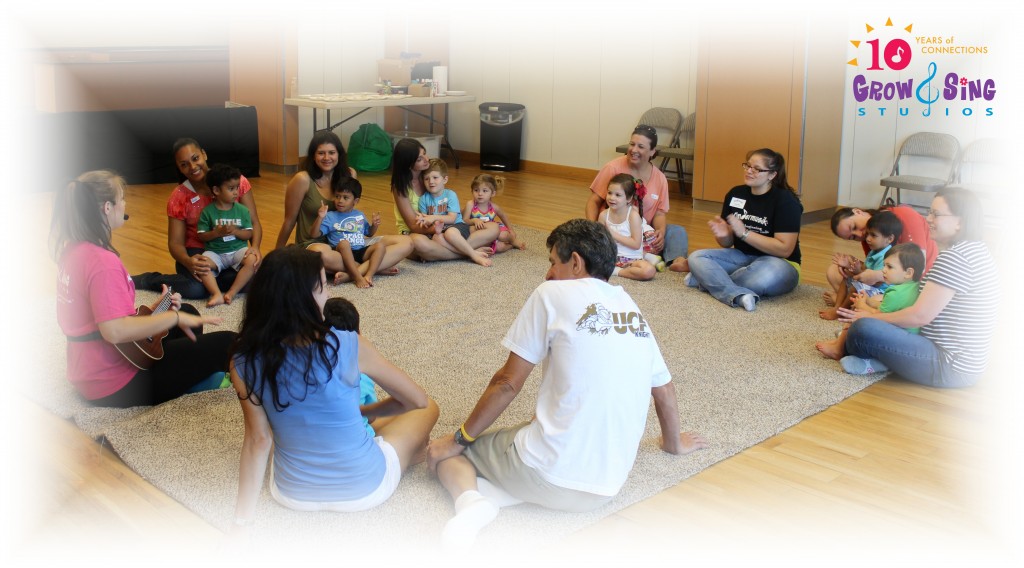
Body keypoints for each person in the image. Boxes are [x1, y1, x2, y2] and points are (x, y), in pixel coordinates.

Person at [425, 219, 707, 548]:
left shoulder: (551, 293)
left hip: (549, 474)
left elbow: (506, 383)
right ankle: (508, 491)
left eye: (552, 263)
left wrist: (460, 438)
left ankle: (471, 504)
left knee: (445, 454)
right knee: (526, 431)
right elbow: (664, 389)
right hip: (605, 489)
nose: (547, 274)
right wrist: (674, 444)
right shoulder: (628, 306)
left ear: (575, 262)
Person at [228, 247, 439, 532]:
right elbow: (416, 400)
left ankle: (366, 432)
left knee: (284, 424)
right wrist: (365, 411)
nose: (328, 295)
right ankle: (402, 452)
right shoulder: (347, 342)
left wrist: (242, 522)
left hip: (292, 494)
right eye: (324, 285)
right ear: (306, 299)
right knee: (430, 407)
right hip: (365, 489)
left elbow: (258, 440)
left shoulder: (243, 359)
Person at [51, 170, 234, 408]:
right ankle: (193, 383)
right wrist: (172, 317)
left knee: (190, 313)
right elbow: (114, 331)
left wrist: (160, 308)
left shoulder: (73, 250)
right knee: (228, 342)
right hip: (117, 383)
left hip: (90, 371)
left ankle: (189, 376)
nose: (125, 203)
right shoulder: (102, 262)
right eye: (122, 198)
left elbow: (100, 316)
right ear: (107, 207)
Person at [836, 187, 997, 387]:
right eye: (929, 212)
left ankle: (879, 359)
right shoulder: (976, 250)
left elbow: (919, 316)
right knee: (871, 323)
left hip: (949, 366)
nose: (928, 219)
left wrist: (870, 316)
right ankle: (884, 355)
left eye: (936, 214)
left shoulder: (955, 258)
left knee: (862, 328)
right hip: (966, 364)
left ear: (960, 221)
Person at [133, 138, 263, 300]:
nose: (193, 167)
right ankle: (149, 280)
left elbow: (254, 222)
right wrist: (188, 262)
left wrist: (255, 247)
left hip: (232, 248)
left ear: (204, 154)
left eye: (195, 159)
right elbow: (175, 243)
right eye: (184, 164)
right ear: (179, 168)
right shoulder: (179, 196)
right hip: (199, 253)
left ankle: (215, 282)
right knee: (195, 290)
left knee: (258, 279)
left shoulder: (235, 181)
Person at [274, 130, 413, 281]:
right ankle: (372, 267)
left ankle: (352, 273)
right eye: (321, 153)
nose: (327, 158)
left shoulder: (349, 174)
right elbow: (289, 221)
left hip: (350, 240)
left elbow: (354, 216)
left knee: (406, 242)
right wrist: (276, 259)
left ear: (339, 154)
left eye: (332, 152)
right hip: (317, 244)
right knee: (321, 254)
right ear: (313, 155)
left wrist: (372, 226)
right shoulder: (302, 179)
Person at [678, 148, 802, 311]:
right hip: (742, 257)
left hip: (779, 263)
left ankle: (707, 281)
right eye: (747, 166)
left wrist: (744, 233)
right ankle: (734, 293)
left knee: (757, 279)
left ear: (772, 175)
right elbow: (728, 243)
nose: (749, 171)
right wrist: (724, 235)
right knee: (697, 257)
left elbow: (784, 249)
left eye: (757, 169)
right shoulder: (736, 194)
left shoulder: (786, 201)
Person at [585, 124, 688, 267]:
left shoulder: (660, 178)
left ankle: (677, 261)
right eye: (632, 144)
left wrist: (660, 232)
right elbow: (593, 202)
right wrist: (594, 229)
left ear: (652, 151)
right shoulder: (612, 168)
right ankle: (645, 256)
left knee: (677, 231)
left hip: (643, 229)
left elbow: (659, 214)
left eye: (641, 146)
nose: (634, 150)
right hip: (616, 228)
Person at [389, 138, 500, 262]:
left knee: (493, 228)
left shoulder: (427, 173)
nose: (426, 159)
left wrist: (455, 222)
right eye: (420, 159)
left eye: (424, 153)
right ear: (408, 163)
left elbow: (445, 201)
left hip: (445, 227)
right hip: (419, 232)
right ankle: (467, 252)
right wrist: (439, 228)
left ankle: (450, 250)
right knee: (417, 242)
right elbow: (414, 226)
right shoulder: (400, 187)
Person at [815, 242, 925, 361]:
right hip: (907, 336)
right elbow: (888, 309)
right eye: (884, 265)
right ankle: (840, 341)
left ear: (908, 273)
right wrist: (868, 300)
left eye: (890, 267)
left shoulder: (895, 294)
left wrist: (862, 305)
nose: (883, 270)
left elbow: (878, 315)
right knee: (862, 309)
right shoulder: (912, 287)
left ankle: (838, 349)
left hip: (897, 341)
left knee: (857, 314)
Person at [825, 204, 938, 306]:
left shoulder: (906, 215)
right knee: (833, 271)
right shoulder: (868, 239)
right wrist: (853, 266)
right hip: (889, 281)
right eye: (853, 237)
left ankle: (853, 305)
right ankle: (855, 304)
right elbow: (877, 266)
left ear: (857, 211)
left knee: (876, 299)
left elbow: (917, 269)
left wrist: (877, 275)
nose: (860, 234)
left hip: (916, 283)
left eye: (854, 227)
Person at [311, 178, 404, 288]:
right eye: (337, 196)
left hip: (360, 250)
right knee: (344, 243)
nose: (340, 200)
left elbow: (369, 233)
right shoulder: (330, 216)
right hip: (341, 252)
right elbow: (314, 234)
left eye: (345, 198)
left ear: (355, 201)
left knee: (380, 246)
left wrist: (374, 225)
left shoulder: (359, 215)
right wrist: (320, 217)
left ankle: (369, 275)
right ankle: (358, 277)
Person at [818, 210, 902, 320]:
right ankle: (839, 307)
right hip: (872, 286)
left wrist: (858, 272)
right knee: (847, 278)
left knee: (856, 286)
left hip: (881, 291)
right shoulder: (874, 250)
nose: (866, 238)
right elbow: (866, 270)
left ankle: (842, 310)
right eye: (853, 237)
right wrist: (850, 267)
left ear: (890, 239)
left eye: (873, 235)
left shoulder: (887, 255)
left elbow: (876, 281)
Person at [196, 164, 257, 307]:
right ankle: (216, 294)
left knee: (252, 260)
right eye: (231, 188)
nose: (236, 192)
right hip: (215, 252)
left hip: (237, 250)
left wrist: (236, 231)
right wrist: (216, 233)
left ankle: (232, 292)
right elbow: (202, 236)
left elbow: (249, 232)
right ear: (216, 190)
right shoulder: (207, 212)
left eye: (236, 187)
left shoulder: (242, 210)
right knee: (202, 265)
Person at [417, 158, 492, 267]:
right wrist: (423, 220)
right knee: (436, 238)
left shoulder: (450, 195)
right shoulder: (423, 199)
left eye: (435, 177)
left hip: (457, 226)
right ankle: (471, 252)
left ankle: (473, 256)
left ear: (445, 179)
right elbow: (426, 222)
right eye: (426, 179)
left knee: (450, 233)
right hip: (438, 231)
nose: (431, 181)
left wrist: (432, 217)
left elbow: (452, 218)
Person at [322, 297, 380, 438]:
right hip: (360, 444)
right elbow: (371, 416)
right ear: (358, 334)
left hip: (315, 443)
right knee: (427, 408)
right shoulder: (362, 374)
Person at [599, 173, 657, 280]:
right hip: (611, 258)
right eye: (609, 193)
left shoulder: (633, 216)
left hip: (632, 259)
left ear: (629, 198)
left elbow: (635, 244)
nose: (612, 198)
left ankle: (616, 271)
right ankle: (618, 270)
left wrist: (613, 234)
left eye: (618, 195)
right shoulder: (603, 215)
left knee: (649, 271)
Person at [462, 173, 526, 253]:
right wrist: (474, 220)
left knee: (503, 235)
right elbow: (464, 221)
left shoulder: (494, 207)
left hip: (495, 229)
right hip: (479, 233)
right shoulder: (470, 204)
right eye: (476, 190)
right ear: (472, 191)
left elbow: (503, 216)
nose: (480, 194)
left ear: (493, 193)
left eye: (484, 191)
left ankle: (512, 240)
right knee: (499, 248)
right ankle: (511, 245)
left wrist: (511, 230)